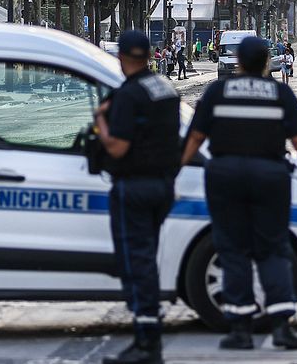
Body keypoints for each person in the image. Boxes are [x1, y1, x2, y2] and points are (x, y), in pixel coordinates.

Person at [180, 37, 297, 352]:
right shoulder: (280, 93)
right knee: (273, 249)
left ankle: (240, 329)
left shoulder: (218, 92)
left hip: (225, 176)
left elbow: (195, 136)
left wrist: (174, 170)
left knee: (232, 250)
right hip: (270, 176)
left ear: (239, 63)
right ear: (266, 63)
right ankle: (281, 325)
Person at [94, 31, 181, 364]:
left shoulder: (128, 96)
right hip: (162, 185)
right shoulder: (165, 89)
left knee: (136, 261)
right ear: (149, 55)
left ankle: (147, 342)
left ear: (121, 58)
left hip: (134, 185)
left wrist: (101, 122)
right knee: (147, 257)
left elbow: (117, 146)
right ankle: (148, 335)